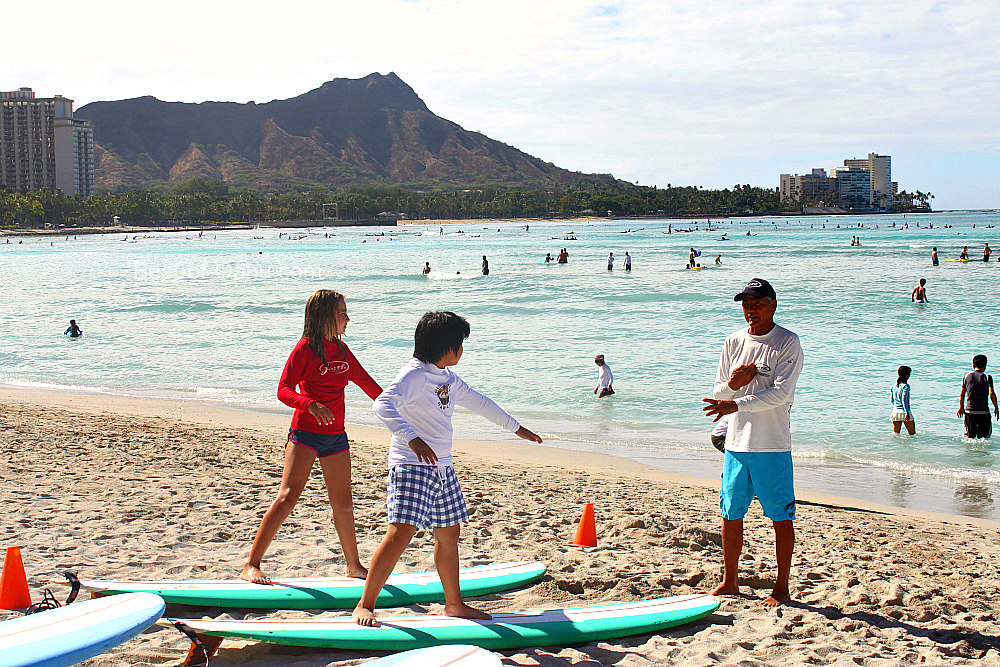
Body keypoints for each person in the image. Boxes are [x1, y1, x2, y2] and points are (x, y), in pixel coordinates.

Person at [355, 312, 542, 625]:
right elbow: (381, 404)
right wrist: (412, 438)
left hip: (442, 468)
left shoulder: (448, 378)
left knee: (449, 533)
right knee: (400, 534)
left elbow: (481, 403)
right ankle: (365, 605)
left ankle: (454, 604)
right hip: (411, 466)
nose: (462, 351)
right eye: (460, 345)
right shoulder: (413, 375)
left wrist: (517, 428)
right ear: (446, 347)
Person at [241, 290, 383, 584]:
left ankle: (354, 565)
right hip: (304, 434)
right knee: (287, 497)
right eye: (342, 313)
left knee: (343, 504)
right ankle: (251, 564)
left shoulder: (343, 352)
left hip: (335, 438)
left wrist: (405, 409)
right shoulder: (304, 350)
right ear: (324, 317)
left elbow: (371, 387)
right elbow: (283, 389)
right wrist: (309, 404)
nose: (347, 318)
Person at [702, 278, 803, 607]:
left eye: (757, 304)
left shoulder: (787, 342)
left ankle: (781, 587)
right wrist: (734, 384)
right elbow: (718, 392)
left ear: (772, 304)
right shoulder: (733, 341)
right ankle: (729, 581)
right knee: (730, 513)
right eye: (746, 304)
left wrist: (736, 403)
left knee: (780, 516)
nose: (750, 310)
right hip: (736, 444)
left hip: (772, 445)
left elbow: (781, 393)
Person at [958, 355, 998, 439]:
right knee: (984, 438)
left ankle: (969, 452)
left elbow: (962, 394)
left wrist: (961, 407)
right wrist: (996, 408)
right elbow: (991, 394)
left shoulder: (967, 376)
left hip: (970, 412)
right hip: (984, 412)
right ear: (985, 366)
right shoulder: (987, 377)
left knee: (970, 437)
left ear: (973, 365)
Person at [890, 366, 916, 435]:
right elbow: (904, 400)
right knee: (912, 435)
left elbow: (892, 400)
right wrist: (907, 412)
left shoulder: (893, 386)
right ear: (907, 375)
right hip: (904, 412)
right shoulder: (906, 386)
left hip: (895, 412)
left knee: (895, 435)